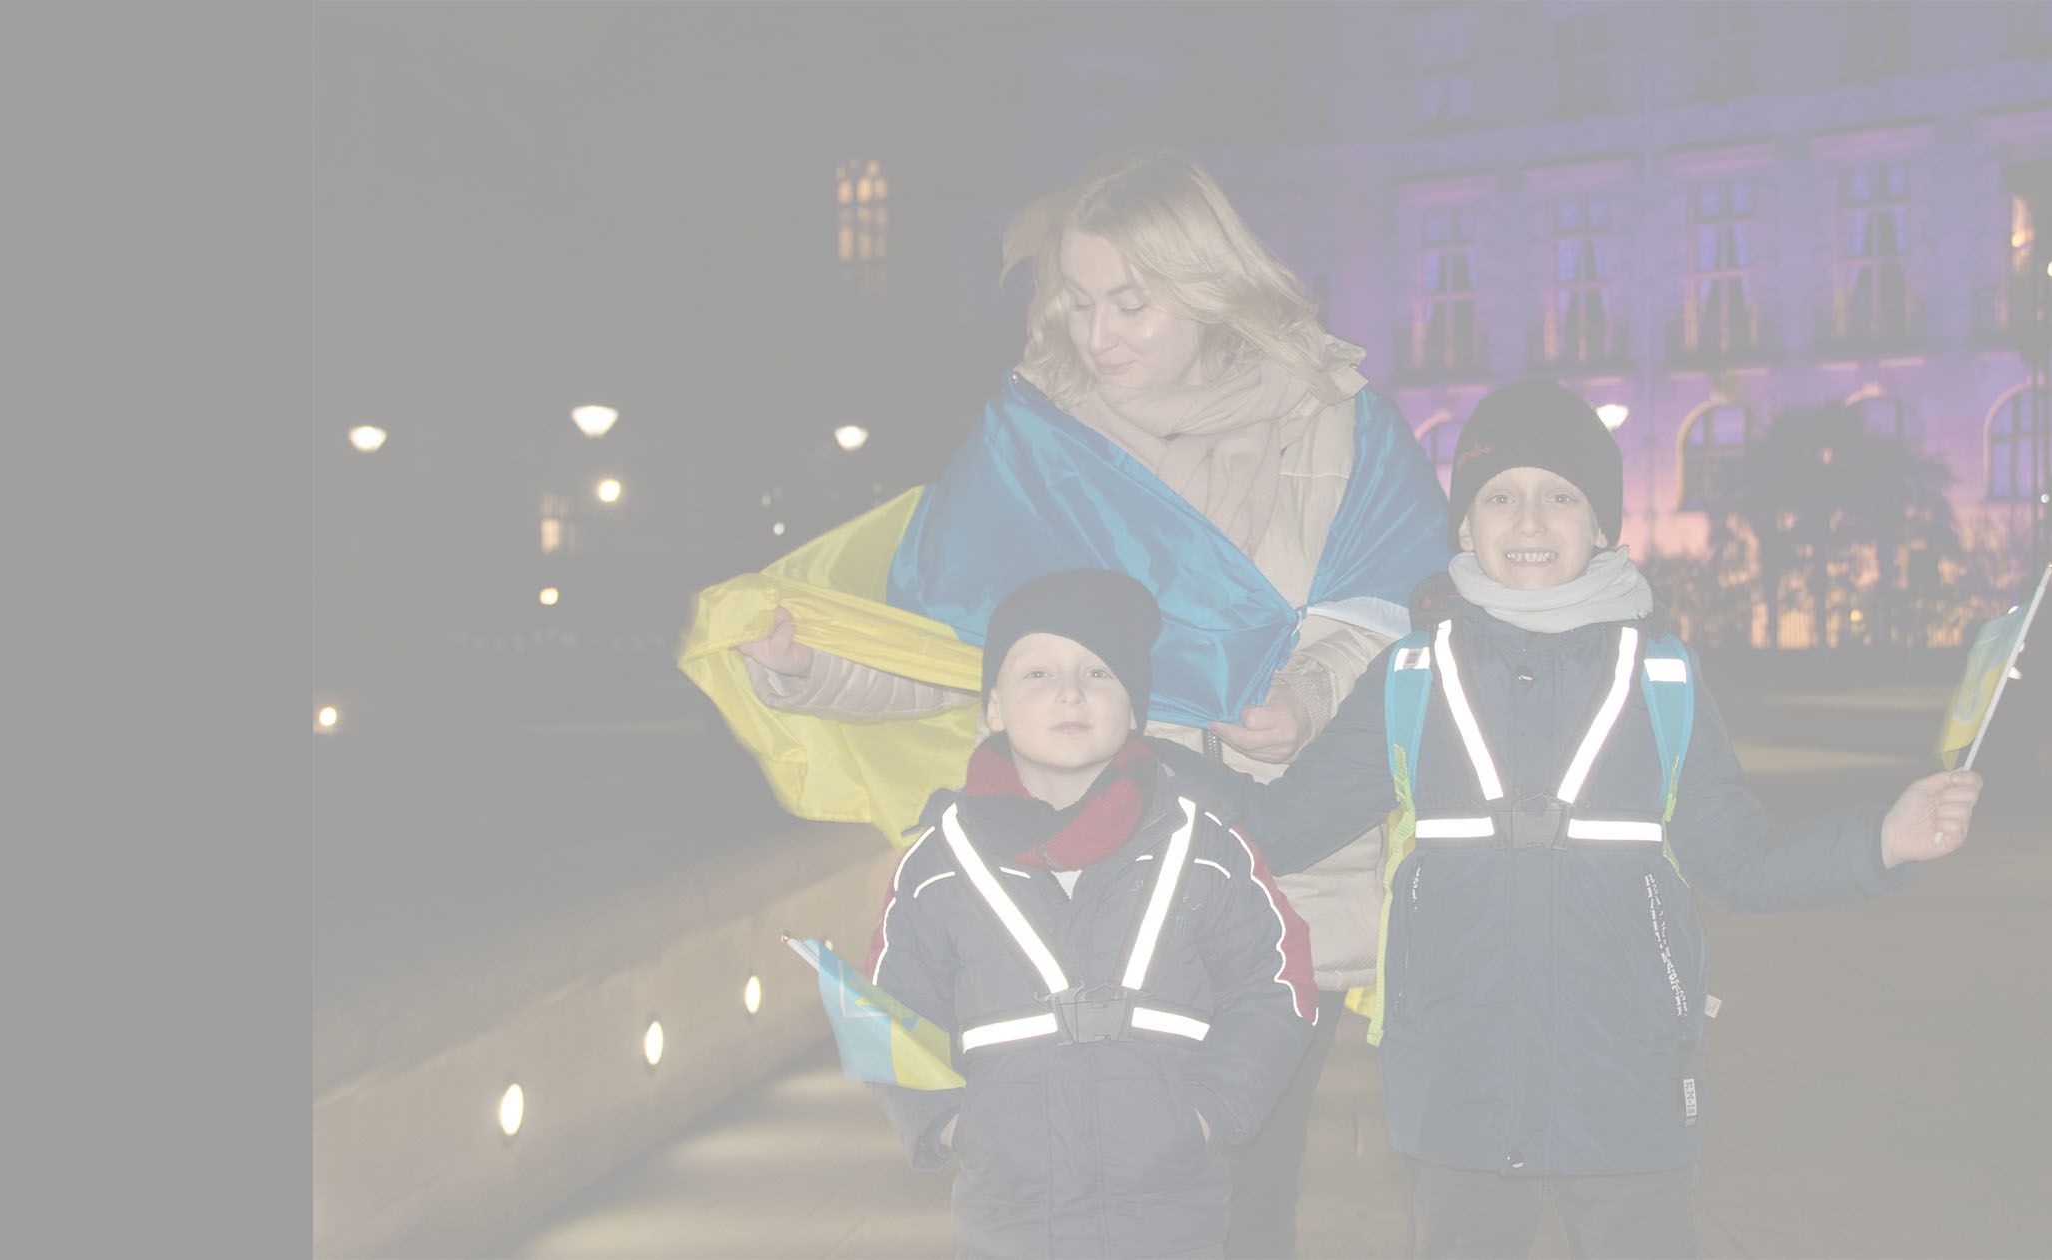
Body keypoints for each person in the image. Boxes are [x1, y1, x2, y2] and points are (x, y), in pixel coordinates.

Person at [682, 149, 1447, 1258]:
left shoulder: (1333, 418)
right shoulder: (1039, 438)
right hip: (1078, 881)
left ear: (1208, 284)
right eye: (1079, 303)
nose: (1099, 335)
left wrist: (1305, 692)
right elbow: (958, 642)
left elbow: (1395, 611)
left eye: (1131, 303)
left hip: (1272, 865)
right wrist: (809, 669)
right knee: (1086, 1191)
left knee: (1248, 1194)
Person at [1168, 379, 1985, 1259]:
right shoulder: (1412, 675)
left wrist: (1881, 840)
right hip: (1460, 1088)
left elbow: (1738, 862)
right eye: (1500, 497)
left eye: (1560, 496)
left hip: (1626, 1085)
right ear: (1465, 527)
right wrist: (1145, 763)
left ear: (1600, 525)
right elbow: (1282, 828)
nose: (1529, 521)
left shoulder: (1662, 677)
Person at [865, 568, 1318, 1260]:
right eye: (1038, 673)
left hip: (1171, 1221)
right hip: (1009, 1224)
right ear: (994, 707)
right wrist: (953, 1125)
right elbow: (885, 1014)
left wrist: (1207, 1112)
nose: (1070, 692)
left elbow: (1278, 983)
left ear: (1134, 710)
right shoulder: (936, 867)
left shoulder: (1206, 848)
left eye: (1099, 672)